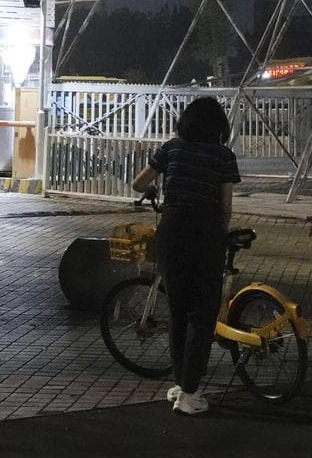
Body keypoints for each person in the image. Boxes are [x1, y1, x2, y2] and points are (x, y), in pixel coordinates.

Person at [131, 97, 241, 416]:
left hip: (172, 231)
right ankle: (190, 394)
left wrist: (154, 191)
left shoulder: (171, 149)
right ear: (219, 126)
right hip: (205, 234)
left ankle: (181, 386)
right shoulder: (223, 156)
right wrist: (218, 233)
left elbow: (138, 183)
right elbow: (226, 208)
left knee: (178, 311)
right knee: (203, 314)